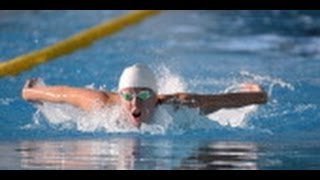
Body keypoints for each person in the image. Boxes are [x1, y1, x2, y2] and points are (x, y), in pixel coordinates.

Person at [22, 63, 267, 128]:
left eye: (144, 95)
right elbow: (63, 94)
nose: (135, 103)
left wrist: (256, 95)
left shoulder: (179, 105)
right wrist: (31, 91)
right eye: (127, 96)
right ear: (120, 96)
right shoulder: (103, 105)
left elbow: (223, 101)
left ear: (157, 96)